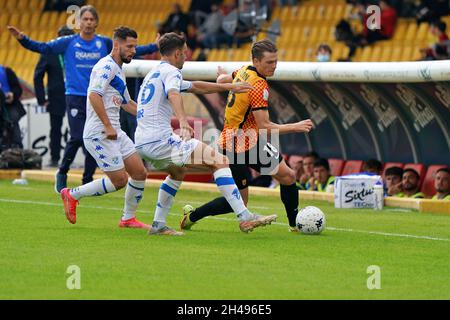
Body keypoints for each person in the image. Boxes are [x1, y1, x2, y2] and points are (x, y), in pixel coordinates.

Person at [134, 33, 277, 236]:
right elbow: (174, 93)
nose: (186, 56)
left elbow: (195, 87)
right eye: (184, 53)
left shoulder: (155, 73)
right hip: (160, 140)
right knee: (219, 161)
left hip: (142, 142)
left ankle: (158, 225)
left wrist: (227, 86)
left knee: (177, 172)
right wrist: (183, 121)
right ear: (177, 53)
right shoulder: (172, 73)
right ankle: (244, 217)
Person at [8, 5, 159, 192]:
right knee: (79, 136)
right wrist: (23, 39)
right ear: (78, 22)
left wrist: (155, 46)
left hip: (102, 97)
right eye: (84, 19)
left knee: (94, 141)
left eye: (91, 19)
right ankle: (62, 172)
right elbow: (44, 47)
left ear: (96, 22)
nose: (88, 23)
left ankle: (87, 180)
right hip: (77, 96)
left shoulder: (103, 43)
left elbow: (133, 48)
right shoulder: (69, 42)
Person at [179, 39, 314, 233]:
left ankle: (295, 225)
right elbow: (265, 126)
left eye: (276, 61)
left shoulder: (245, 70)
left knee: (288, 176)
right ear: (256, 61)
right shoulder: (259, 86)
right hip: (234, 146)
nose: (274, 66)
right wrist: (296, 126)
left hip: (251, 141)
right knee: (239, 201)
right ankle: (192, 216)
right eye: (269, 62)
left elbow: (224, 80)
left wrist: (221, 77)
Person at [60, 26, 149, 229]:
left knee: (139, 172)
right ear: (116, 44)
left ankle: (128, 219)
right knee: (119, 181)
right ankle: (72, 194)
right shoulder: (105, 67)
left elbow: (128, 104)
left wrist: (151, 117)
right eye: (130, 46)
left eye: (135, 46)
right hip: (100, 133)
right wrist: (108, 126)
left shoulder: (118, 70)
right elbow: (94, 95)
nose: (134, 51)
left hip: (115, 132)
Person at [34, 26, 75, 167]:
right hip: (56, 96)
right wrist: (41, 98)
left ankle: (90, 160)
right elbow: (37, 75)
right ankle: (54, 159)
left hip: (76, 94)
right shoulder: (49, 52)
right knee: (56, 129)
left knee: (80, 128)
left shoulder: (78, 52)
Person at [0, 64, 26, 149]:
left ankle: (16, 148)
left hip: (9, 107)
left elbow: (18, 89)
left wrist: (12, 94)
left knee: (13, 121)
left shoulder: (6, 71)